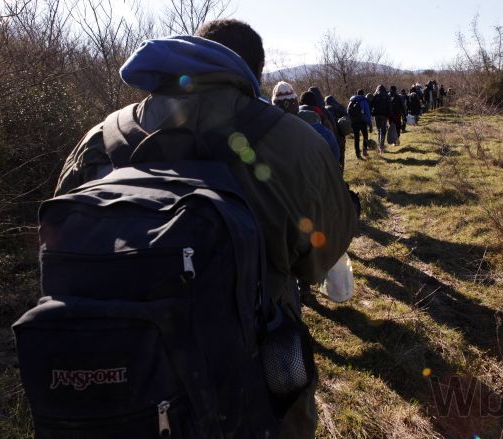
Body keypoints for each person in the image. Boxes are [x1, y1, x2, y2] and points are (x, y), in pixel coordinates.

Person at [55, 19, 358, 439]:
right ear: (255, 71)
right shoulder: (293, 142)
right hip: (254, 395)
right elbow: (318, 263)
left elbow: (55, 254)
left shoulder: (98, 140)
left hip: (121, 392)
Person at [324, 95, 348, 171]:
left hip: (331, 136)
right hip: (341, 135)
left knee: (333, 156)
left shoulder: (325, 110)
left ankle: (335, 175)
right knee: (341, 155)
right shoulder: (340, 107)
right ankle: (341, 173)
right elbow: (347, 117)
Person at [347, 89, 372, 159]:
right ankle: (364, 151)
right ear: (363, 94)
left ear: (357, 94)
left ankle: (358, 154)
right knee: (365, 137)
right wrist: (370, 124)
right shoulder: (364, 101)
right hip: (362, 122)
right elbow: (367, 113)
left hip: (354, 123)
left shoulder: (351, 101)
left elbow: (348, 112)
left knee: (356, 138)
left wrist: (351, 122)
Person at [370, 84, 391, 152]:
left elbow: (371, 105)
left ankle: (380, 146)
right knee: (383, 131)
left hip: (376, 115)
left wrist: (371, 113)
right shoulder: (386, 96)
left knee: (379, 130)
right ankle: (381, 146)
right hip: (383, 115)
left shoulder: (375, 96)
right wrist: (390, 115)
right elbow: (389, 106)